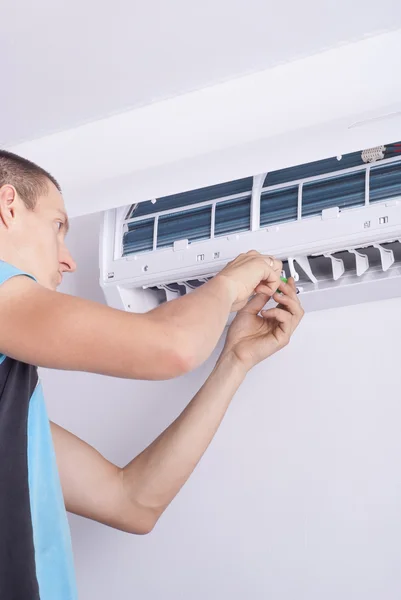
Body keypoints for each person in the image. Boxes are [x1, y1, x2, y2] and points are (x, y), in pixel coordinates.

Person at [0, 149, 304, 599]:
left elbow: (133, 501)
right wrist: (228, 284)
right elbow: (172, 347)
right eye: (57, 225)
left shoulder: (12, 415)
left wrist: (234, 361)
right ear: (7, 206)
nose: (69, 260)